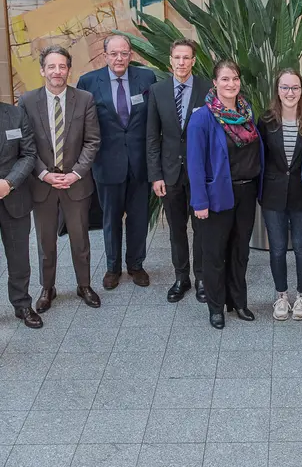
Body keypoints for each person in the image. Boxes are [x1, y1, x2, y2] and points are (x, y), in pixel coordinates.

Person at [19, 45, 101, 312]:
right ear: (43, 70)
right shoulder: (28, 101)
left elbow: (92, 141)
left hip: (76, 184)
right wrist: (44, 174)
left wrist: (76, 173)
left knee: (80, 240)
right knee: (45, 242)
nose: (57, 71)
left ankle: (84, 285)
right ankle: (47, 288)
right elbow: (26, 145)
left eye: (62, 66)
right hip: (42, 184)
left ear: (69, 69)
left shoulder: (85, 99)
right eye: (51, 66)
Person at [187, 60, 264, 329]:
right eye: (225, 79)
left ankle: (238, 302)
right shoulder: (202, 118)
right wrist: (199, 202)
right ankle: (216, 307)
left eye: (235, 79)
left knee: (240, 251)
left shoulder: (246, 112)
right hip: (216, 194)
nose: (231, 84)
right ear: (215, 83)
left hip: (246, 192)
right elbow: (195, 164)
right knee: (214, 254)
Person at [77, 34, 156, 289]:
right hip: (107, 163)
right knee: (110, 218)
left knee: (138, 217)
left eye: (124, 53)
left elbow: (153, 121)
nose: (119, 58)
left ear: (131, 54)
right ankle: (113, 267)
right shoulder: (88, 82)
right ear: (105, 55)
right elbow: (81, 125)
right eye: (114, 54)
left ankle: (136, 264)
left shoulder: (146, 78)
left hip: (139, 162)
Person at [147, 39, 212, 304]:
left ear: (194, 61)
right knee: (176, 229)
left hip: (199, 174)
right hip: (170, 173)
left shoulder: (208, 88)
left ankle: (201, 279)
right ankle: (181, 277)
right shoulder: (157, 91)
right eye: (177, 58)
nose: (182, 63)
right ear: (170, 60)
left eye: (187, 58)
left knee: (201, 228)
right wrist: (156, 175)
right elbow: (152, 137)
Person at [258, 69, 302, 321]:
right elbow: (260, 158)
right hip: (273, 196)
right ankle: (282, 296)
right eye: (284, 87)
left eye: (295, 88)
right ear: (277, 90)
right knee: (276, 250)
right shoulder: (266, 121)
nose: (289, 93)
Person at [0, 100, 38, 327]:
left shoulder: (15, 114)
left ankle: (22, 304)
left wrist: (9, 183)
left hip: (14, 197)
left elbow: (29, 154)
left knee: (19, 259)